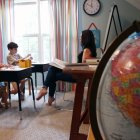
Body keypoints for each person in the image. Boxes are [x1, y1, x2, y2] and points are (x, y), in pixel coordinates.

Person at [36, 30, 97, 105]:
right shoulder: (90, 49)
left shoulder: (86, 50)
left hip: (77, 76)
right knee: (52, 70)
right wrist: (69, 66)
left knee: (52, 72)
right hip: (77, 74)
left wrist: (70, 67)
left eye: (81, 36)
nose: (80, 38)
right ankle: (49, 96)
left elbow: (83, 67)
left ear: (86, 38)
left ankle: (45, 89)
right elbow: (83, 65)